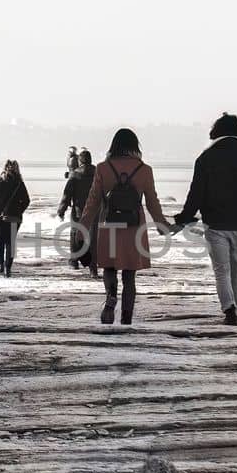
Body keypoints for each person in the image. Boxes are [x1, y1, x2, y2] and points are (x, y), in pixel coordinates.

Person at [173, 112, 237, 326]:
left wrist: (184, 218)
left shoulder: (205, 159)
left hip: (215, 224)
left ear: (216, 133)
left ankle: (229, 309)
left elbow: (195, 193)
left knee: (221, 270)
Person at [79, 128, 173, 325]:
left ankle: (111, 297)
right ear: (135, 146)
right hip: (134, 227)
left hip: (109, 225)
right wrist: (161, 224)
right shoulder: (144, 170)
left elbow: (93, 201)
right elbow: (152, 202)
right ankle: (127, 318)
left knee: (110, 269)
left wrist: (83, 227)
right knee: (130, 275)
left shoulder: (103, 168)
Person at [0, 160, 31, 277]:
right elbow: (26, 201)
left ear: (4, 168)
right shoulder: (19, 183)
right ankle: (8, 268)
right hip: (14, 218)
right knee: (10, 242)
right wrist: (18, 211)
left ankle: (0, 264)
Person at [57, 148, 97, 277]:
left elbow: (66, 195)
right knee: (93, 239)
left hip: (79, 211)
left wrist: (61, 210)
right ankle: (93, 267)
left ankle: (74, 261)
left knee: (75, 236)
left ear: (80, 161)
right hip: (95, 211)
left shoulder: (75, 175)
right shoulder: (98, 173)